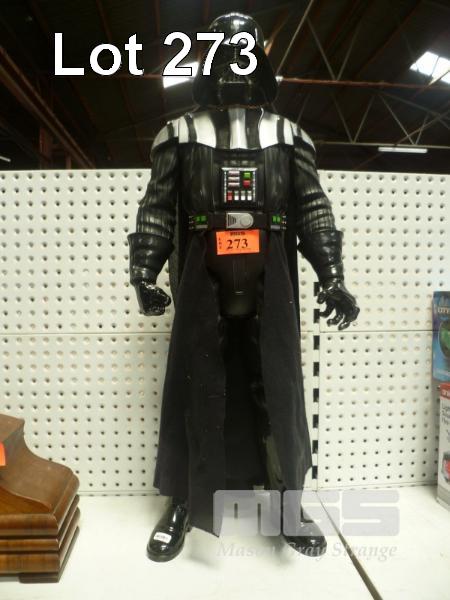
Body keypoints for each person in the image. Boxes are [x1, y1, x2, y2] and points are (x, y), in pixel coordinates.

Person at [127, 11, 360, 562]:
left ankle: (287, 504)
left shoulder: (289, 136)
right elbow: (158, 208)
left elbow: (312, 207)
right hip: (200, 269)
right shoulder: (179, 134)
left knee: (276, 384)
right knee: (195, 384)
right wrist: (144, 271)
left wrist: (332, 276)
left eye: (245, 50)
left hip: (271, 270)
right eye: (225, 51)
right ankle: (184, 501)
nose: (235, 62)